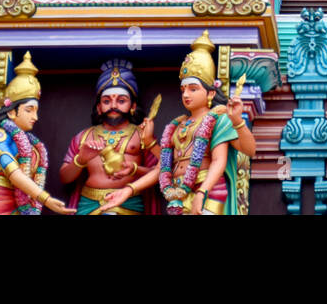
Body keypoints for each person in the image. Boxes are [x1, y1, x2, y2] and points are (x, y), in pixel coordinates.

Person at [101, 31, 255, 215]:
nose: (186, 95)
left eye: (193, 89)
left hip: (208, 190)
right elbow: (162, 168)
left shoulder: (218, 118)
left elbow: (222, 160)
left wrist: (201, 192)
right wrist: (128, 190)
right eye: (183, 90)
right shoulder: (178, 125)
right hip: (178, 194)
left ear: (211, 93)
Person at [0, 53, 72, 215]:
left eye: (36, 110)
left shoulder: (30, 142)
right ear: (12, 112)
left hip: (22, 202)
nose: (35, 117)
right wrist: (45, 199)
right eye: (29, 110)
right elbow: (14, 174)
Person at [59, 59, 158, 214]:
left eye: (121, 101)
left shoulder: (142, 135)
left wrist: (134, 169)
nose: (113, 106)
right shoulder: (84, 136)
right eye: (106, 101)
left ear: (132, 106)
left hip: (128, 202)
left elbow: (161, 173)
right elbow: (65, 178)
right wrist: (81, 160)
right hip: (89, 203)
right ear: (99, 108)